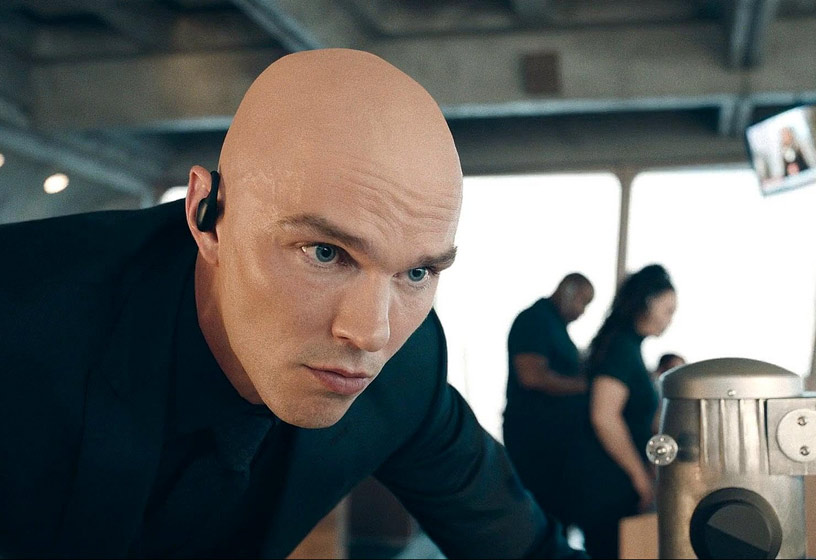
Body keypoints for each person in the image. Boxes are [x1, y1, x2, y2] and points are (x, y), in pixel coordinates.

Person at [0, 49, 586, 559]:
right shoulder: (22, 314)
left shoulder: (406, 371)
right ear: (207, 215)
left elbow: (529, 550)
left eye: (416, 272)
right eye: (326, 253)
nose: (371, 333)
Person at [564, 264, 677, 559]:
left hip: (612, 485)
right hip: (607, 488)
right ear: (649, 303)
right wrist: (641, 478)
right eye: (668, 310)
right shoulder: (622, 348)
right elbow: (604, 417)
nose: (670, 320)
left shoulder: (629, 346)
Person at [503, 273, 594, 527]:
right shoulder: (535, 320)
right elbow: (531, 377)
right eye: (583, 301)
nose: (583, 311)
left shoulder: (555, 326)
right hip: (535, 440)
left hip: (554, 442)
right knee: (537, 516)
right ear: (568, 290)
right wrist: (587, 386)